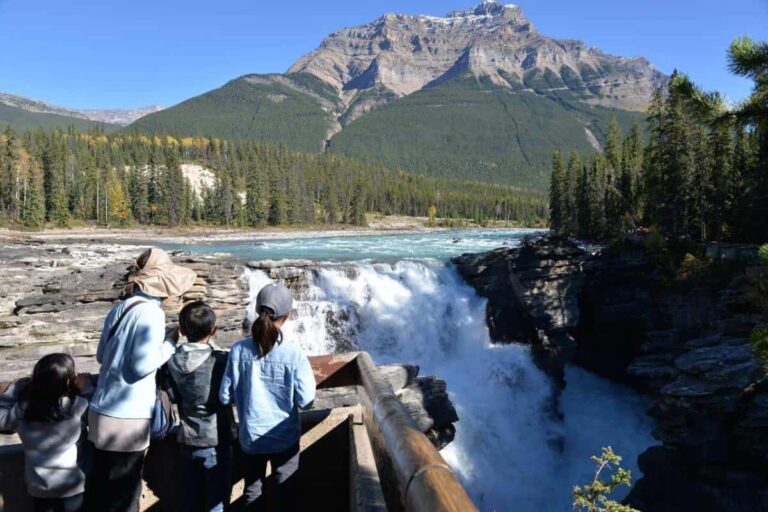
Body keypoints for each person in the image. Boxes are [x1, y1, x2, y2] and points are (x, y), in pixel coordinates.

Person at [86, 247, 197, 512]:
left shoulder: (120, 309)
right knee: (125, 496)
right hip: (128, 419)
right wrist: (170, 343)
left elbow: (102, 356)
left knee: (103, 492)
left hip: (101, 412)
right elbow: (140, 367)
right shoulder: (152, 314)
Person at [220, 283, 315, 511]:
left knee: (252, 490)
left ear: (257, 311)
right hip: (284, 437)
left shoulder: (238, 350)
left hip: (250, 437)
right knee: (286, 490)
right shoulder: (293, 353)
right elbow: (306, 400)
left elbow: (225, 396)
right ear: (288, 315)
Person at [0, 354, 90, 512]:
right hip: (72, 485)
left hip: (39, 485)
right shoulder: (78, 406)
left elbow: (2, 421)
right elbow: (98, 413)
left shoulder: (21, 410)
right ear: (68, 381)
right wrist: (86, 386)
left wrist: (12, 391)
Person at [167, 301, 234, 512]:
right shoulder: (221, 360)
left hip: (187, 439)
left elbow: (171, 394)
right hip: (216, 438)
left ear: (182, 331)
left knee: (191, 495)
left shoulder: (170, 361)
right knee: (216, 499)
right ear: (213, 330)